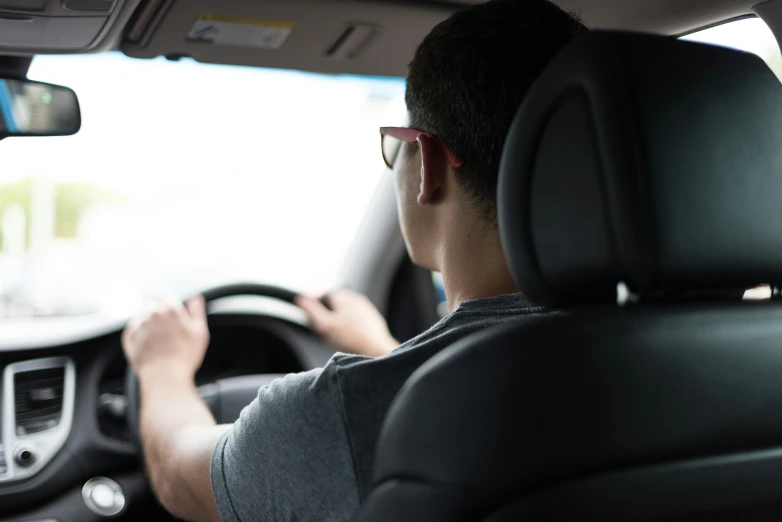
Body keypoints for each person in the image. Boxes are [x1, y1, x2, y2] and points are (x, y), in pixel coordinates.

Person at [121, 2, 587, 521]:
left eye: (398, 146)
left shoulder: (342, 412)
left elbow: (176, 474)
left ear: (427, 164)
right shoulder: (666, 353)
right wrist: (382, 350)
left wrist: (162, 367)